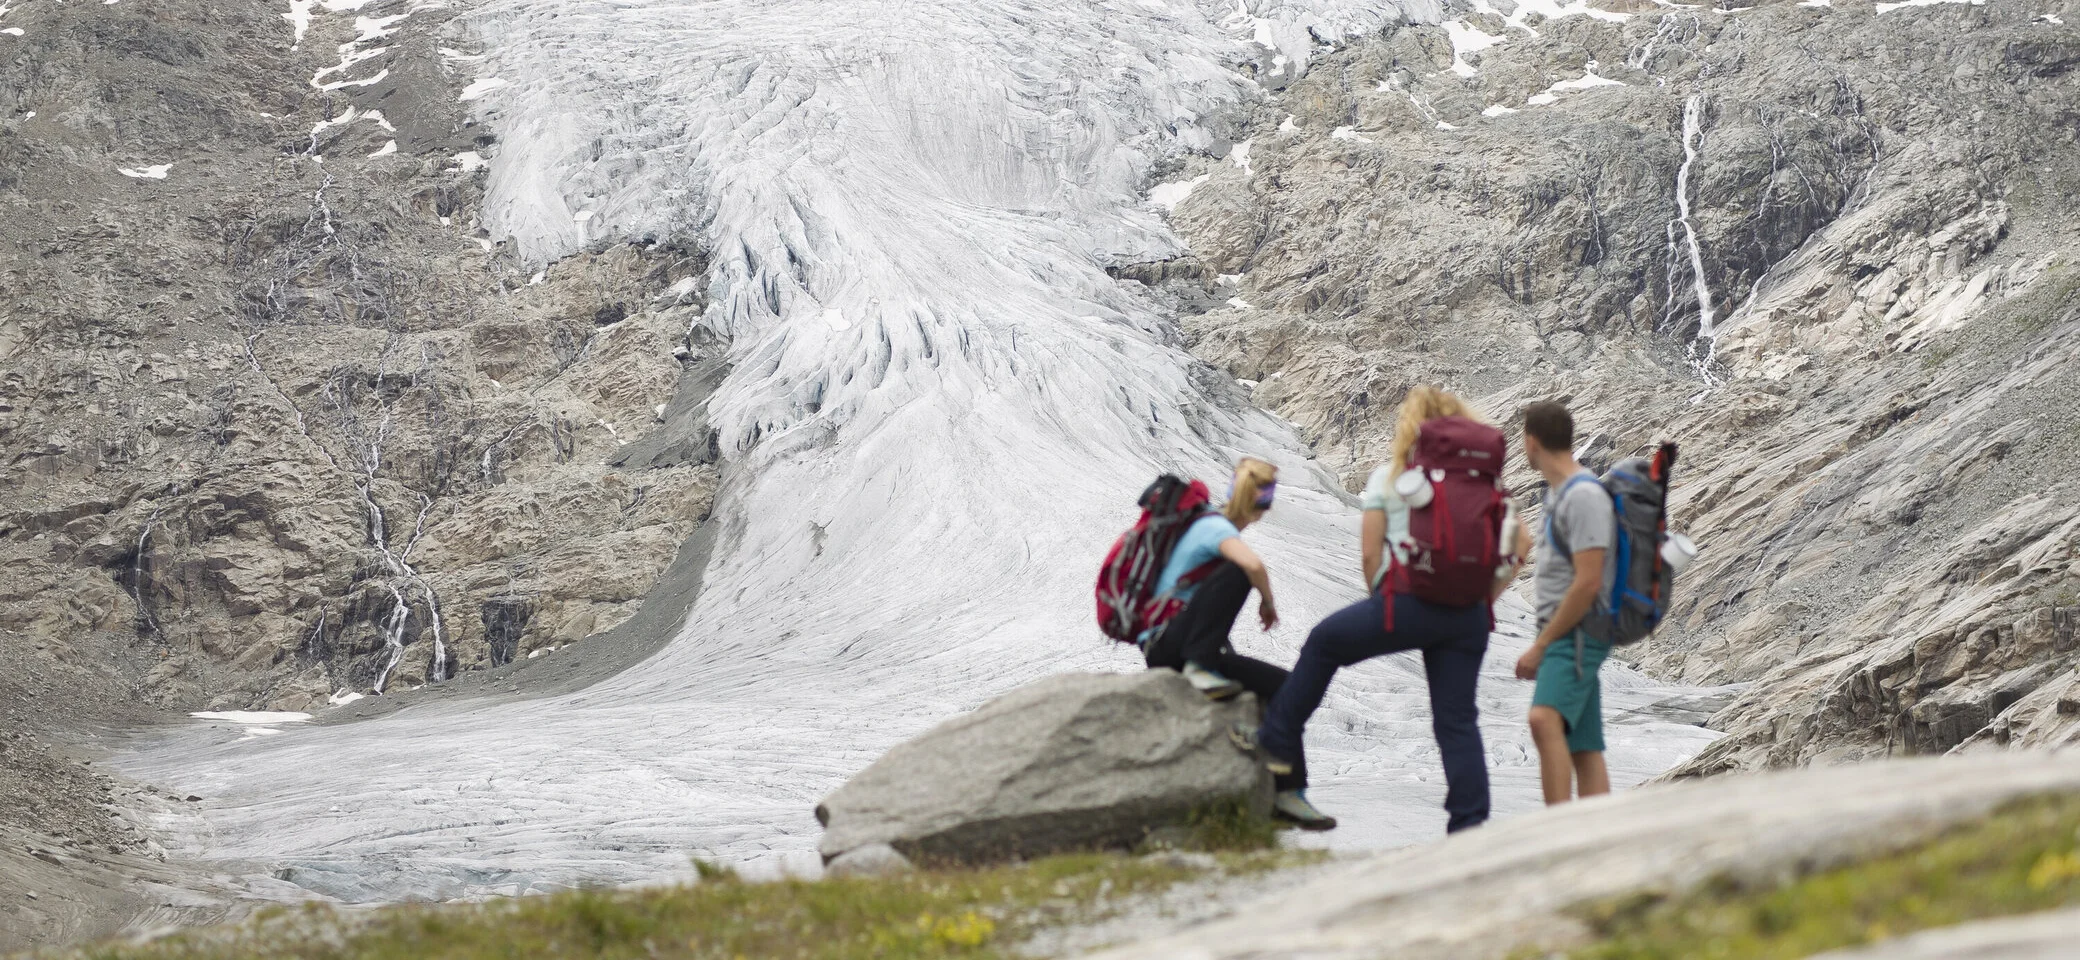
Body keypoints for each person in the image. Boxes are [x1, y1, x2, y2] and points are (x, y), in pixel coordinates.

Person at [1234, 386, 1526, 833]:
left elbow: (1371, 554)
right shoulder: (1486, 484)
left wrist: (1385, 606)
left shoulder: (1392, 477)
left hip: (1409, 602)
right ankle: (1469, 828)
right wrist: (1484, 598)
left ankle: (1275, 740)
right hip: (1468, 616)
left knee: (1325, 642)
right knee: (1457, 721)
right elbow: (1520, 545)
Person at [1140, 458, 1323, 828]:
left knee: (1285, 687)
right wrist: (1268, 603)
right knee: (1238, 573)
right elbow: (1253, 567)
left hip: (1185, 642)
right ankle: (1200, 667)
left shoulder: (1210, 526)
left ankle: (1288, 791)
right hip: (1170, 645)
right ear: (1264, 506)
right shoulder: (1212, 526)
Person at [1513, 399, 1617, 805]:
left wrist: (1541, 646)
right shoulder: (1564, 494)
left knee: (1543, 719)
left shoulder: (1584, 495)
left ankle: (1558, 832)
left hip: (1577, 630)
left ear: (1532, 441)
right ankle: (1597, 839)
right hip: (1569, 628)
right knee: (1583, 745)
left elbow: (1588, 581)